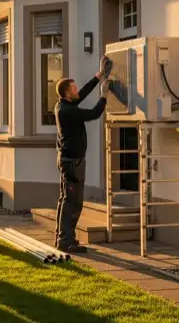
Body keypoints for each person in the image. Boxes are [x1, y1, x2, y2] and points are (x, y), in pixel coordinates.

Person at [54, 56, 111, 253]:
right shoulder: (67, 111)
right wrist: (104, 96)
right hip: (73, 163)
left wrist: (99, 75)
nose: (77, 90)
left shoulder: (64, 105)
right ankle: (66, 241)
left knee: (66, 200)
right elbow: (94, 113)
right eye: (74, 88)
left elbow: (83, 93)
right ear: (67, 93)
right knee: (73, 202)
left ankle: (62, 237)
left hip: (68, 161)